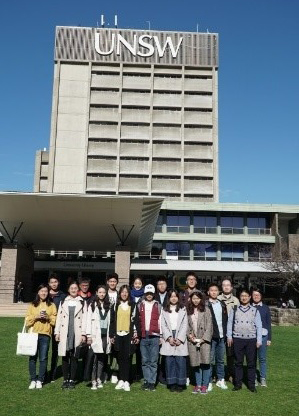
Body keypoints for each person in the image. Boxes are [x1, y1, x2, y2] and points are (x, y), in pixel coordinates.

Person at [227, 288, 262, 393]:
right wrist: (229, 336)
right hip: (237, 339)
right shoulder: (234, 309)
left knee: (251, 363)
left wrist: (259, 340)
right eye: (242, 296)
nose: (244, 298)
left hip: (251, 340)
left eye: (246, 296)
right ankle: (238, 384)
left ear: (249, 297)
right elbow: (229, 323)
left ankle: (251, 385)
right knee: (238, 362)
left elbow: (259, 326)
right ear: (239, 297)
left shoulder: (255, 310)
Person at [54, 281, 87, 389]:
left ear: (78, 290)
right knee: (64, 356)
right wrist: (57, 332)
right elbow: (58, 318)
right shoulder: (63, 301)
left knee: (74, 356)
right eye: (71, 288)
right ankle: (65, 379)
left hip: (76, 333)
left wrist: (83, 334)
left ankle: (72, 379)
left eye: (75, 288)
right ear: (68, 290)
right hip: (65, 333)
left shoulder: (82, 302)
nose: (73, 290)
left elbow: (85, 319)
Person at [25, 284, 57, 389]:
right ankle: (33, 379)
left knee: (43, 358)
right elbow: (27, 321)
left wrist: (47, 318)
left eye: (46, 291)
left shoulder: (52, 305)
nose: (43, 293)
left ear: (48, 293)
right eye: (42, 291)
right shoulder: (32, 305)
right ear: (38, 292)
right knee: (32, 357)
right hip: (33, 334)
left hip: (45, 335)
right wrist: (36, 317)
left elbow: (55, 321)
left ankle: (40, 380)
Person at [109, 285, 140, 392]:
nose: (124, 294)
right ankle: (121, 380)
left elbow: (135, 321)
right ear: (120, 293)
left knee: (127, 358)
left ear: (129, 294)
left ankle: (126, 381)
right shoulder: (115, 305)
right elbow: (112, 322)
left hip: (128, 335)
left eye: (126, 292)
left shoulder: (133, 305)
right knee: (120, 358)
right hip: (118, 335)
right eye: (122, 292)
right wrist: (112, 335)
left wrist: (136, 334)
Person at [160, 290, 188, 392]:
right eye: (171, 296)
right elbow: (163, 324)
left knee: (180, 361)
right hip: (169, 335)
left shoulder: (183, 309)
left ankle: (180, 383)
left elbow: (185, 324)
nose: (173, 298)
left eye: (175, 296)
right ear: (168, 298)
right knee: (169, 361)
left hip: (180, 334)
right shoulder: (164, 310)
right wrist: (168, 337)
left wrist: (180, 338)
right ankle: (171, 383)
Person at [187, 290, 212, 394]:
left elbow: (210, 326)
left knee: (205, 363)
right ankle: (198, 384)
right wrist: (189, 335)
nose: (195, 300)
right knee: (196, 363)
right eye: (194, 298)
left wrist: (203, 339)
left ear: (201, 299)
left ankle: (205, 385)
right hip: (193, 341)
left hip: (204, 341)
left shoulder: (206, 310)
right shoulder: (188, 310)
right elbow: (187, 325)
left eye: (197, 298)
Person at [86, 285, 112, 390]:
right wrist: (89, 336)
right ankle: (93, 380)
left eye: (104, 292)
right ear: (96, 293)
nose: (102, 294)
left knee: (102, 358)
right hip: (95, 335)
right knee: (94, 359)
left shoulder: (108, 305)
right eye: (100, 292)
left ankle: (98, 378)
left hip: (105, 336)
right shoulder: (92, 305)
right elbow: (88, 321)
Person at [138, 284, 162, 391]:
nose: (149, 296)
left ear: (153, 294)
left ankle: (152, 382)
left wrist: (161, 336)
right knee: (145, 360)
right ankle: (147, 380)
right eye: (147, 294)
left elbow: (160, 321)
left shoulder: (158, 305)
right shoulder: (140, 305)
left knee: (153, 360)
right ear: (145, 294)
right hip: (144, 335)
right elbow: (137, 320)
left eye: (151, 294)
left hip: (155, 336)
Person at [207, 283, 228, 391]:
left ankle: (221, 379)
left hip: (221, 336)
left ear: (218, 292)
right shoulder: (206, 305)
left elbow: (226, 320)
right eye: (212, 290)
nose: (214, 292)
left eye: (216, 290)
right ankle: (209, 381)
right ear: (208, 292)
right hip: (211, 337)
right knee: (210, 360)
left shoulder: (222, 304)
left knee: (220, 360)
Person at [218, 278, 239, 381]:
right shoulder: (217, 299)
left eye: (228, 285)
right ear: (221, 287)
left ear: (231, 287)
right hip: (220, 331)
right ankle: (217, 374)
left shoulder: (236, 301)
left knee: (230, 355)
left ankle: (231, 374)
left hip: (232, 331)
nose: (226, 287)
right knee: (219, 355)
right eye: (224, 285)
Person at [251, 287, 272, 387]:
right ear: (252, 296)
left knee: (262, 358)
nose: (256, 297)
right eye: (254, 295)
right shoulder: (250, 307)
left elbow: (268, 324)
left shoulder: (265, 308)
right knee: (252, 358)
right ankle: (254, 378)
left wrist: (269, 338)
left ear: (261, 296)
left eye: (258, 295)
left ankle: (263, 378)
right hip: (252, 336)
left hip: (264, 336)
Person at [48, 274, 66, 381]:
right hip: (44, 327)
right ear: (49, 284)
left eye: (55, 282)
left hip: (57, 327)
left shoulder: (62, 296)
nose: (54, 284)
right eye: (52, 282)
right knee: (44, 351)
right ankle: (43, 373)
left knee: (55, 351)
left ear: (58, 282)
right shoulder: (44, 294)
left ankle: (53, 374)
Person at [131, 276, 144, 380]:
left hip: (140, 326)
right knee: (130, 351)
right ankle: (129, 372)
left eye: (139, 283)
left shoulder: (145, 296)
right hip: (130, 326)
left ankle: (139, 373)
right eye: (136, 283)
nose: (137, 285)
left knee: (140, 353)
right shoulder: (129, 294)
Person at [106, 273, 119, 384]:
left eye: (114, 281)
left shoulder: (120, 295)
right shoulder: (103, 294)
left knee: (115, 350)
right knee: (105, 349)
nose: (112, 283)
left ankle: (114, 372)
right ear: (107, 282)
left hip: (117, 324)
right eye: (110, 281)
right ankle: (105, 372)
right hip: (105, 324)